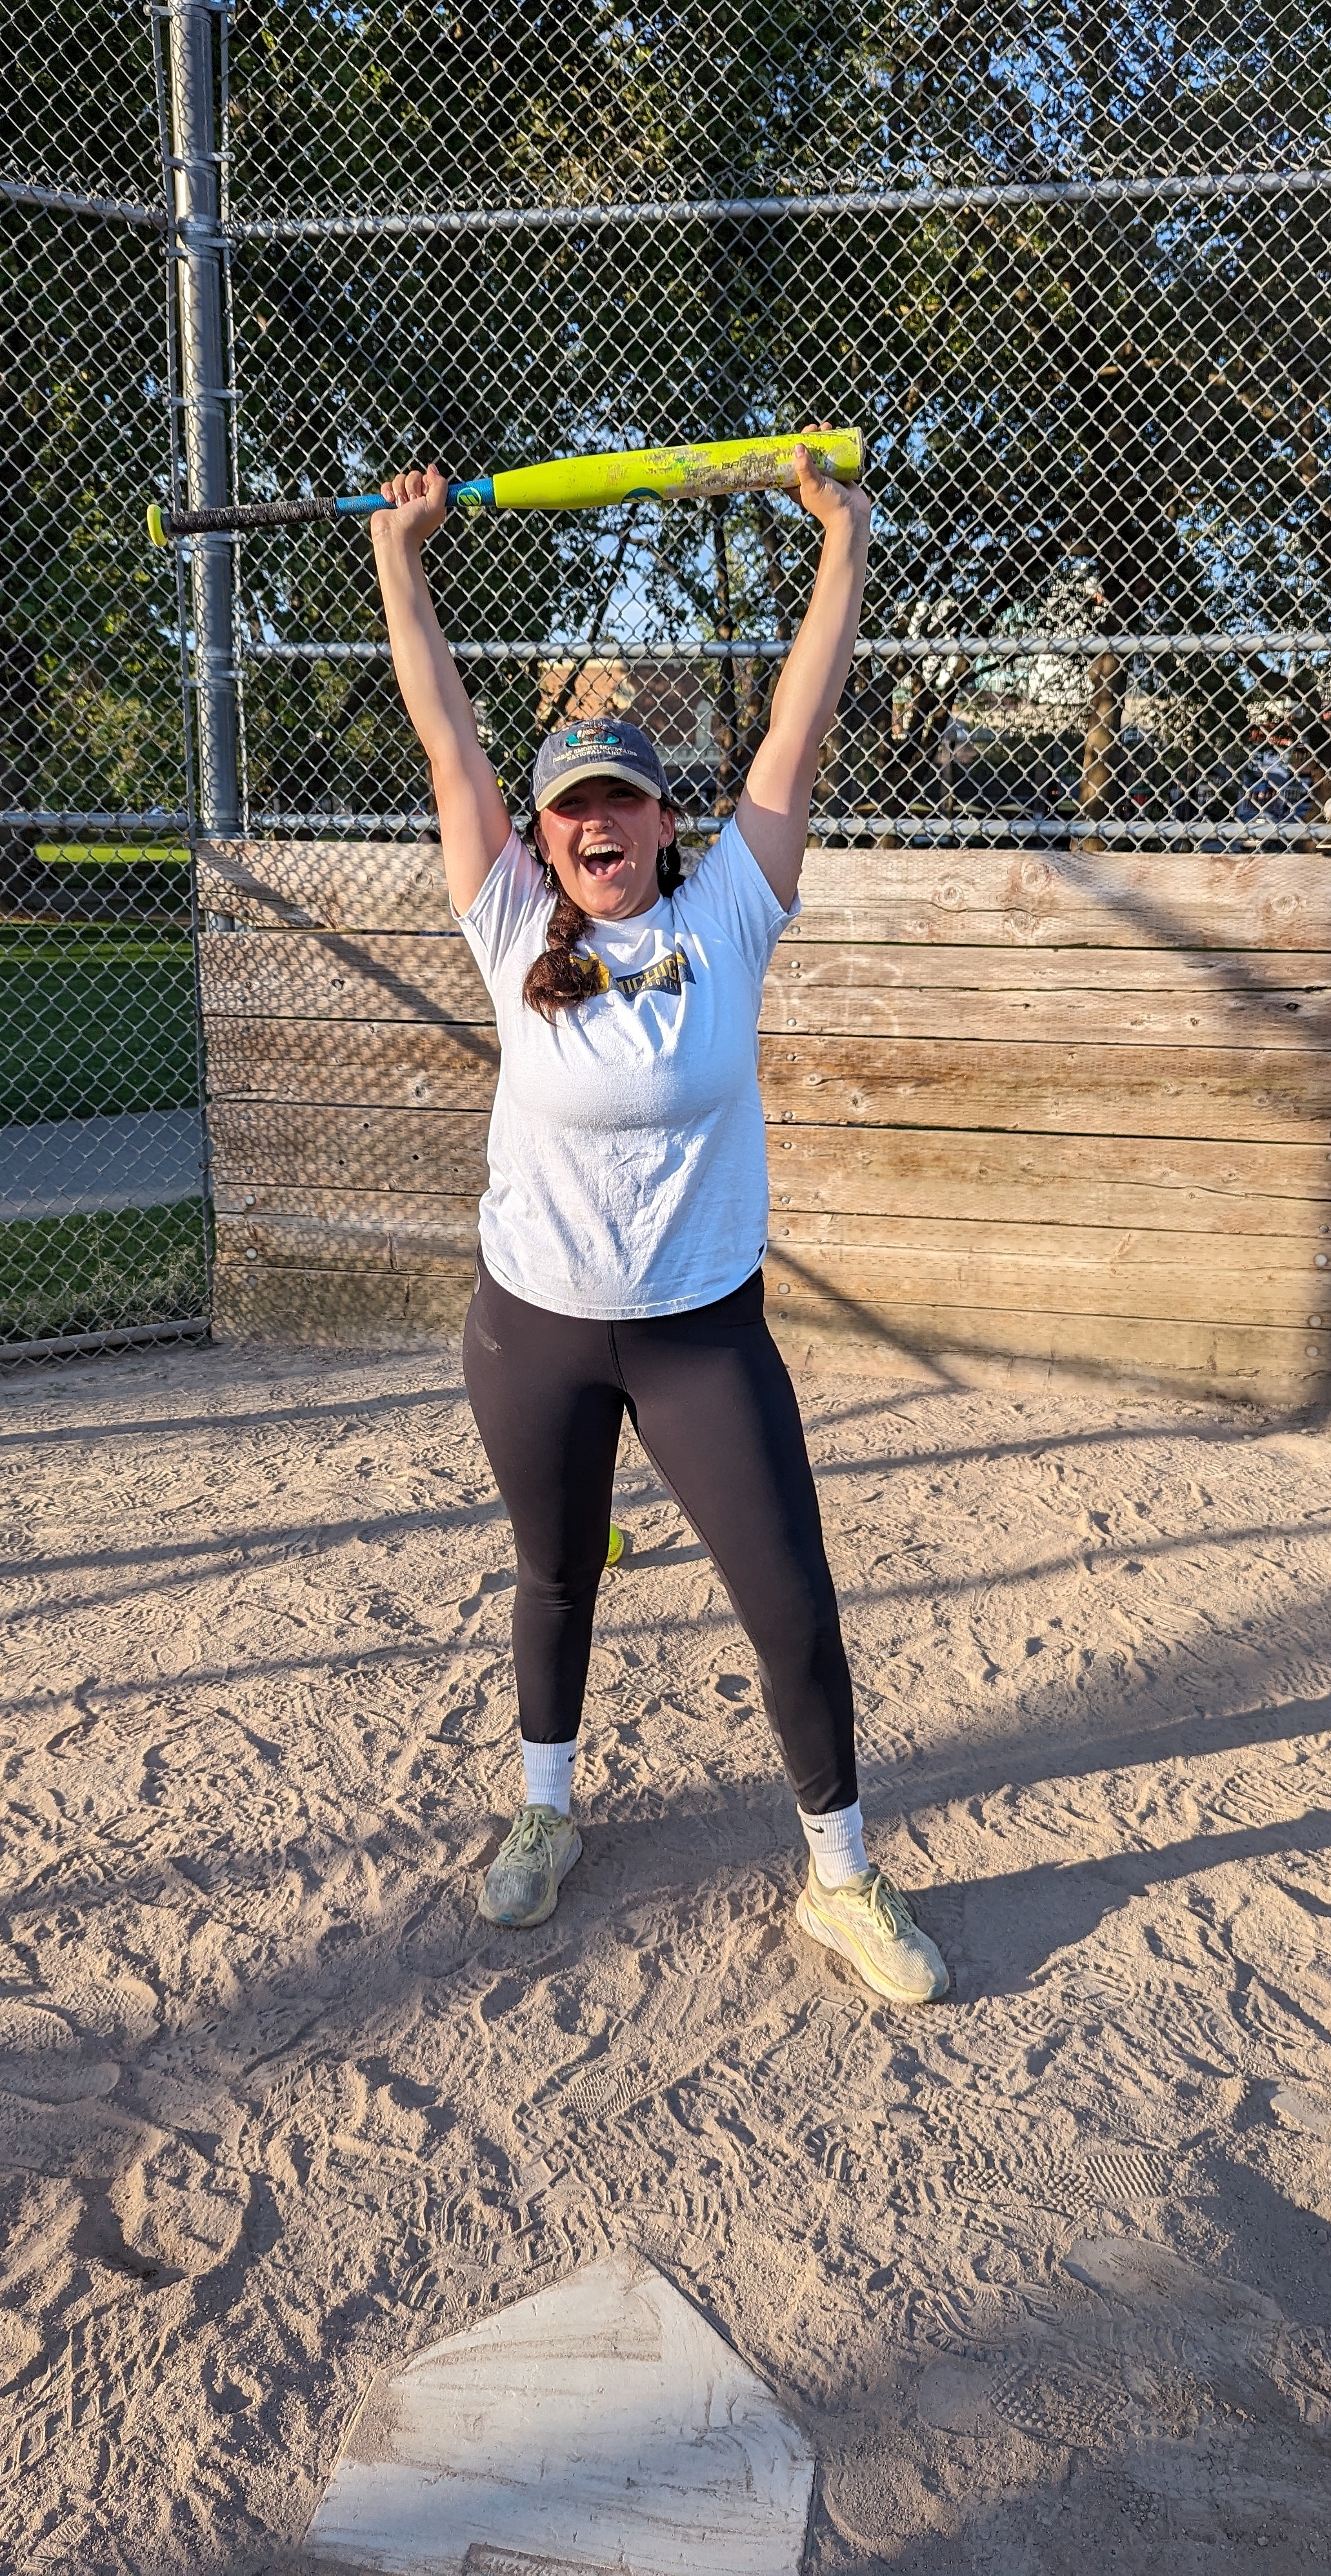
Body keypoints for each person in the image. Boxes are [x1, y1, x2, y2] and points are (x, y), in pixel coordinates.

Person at [368, 442, 948, 2008]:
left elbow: (799, 723)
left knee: (789, 1597)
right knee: (558, 1575)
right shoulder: (507, 926)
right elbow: (446, 734)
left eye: (622, 797)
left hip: (700, 1329)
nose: (595, 821)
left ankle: (841, 1874)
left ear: (665, 822)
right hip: (535, 1326)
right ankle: (546, 1813)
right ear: (545, 837)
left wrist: (843, 540)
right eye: (572, 807)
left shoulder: (729, 916)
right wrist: (401, 560)